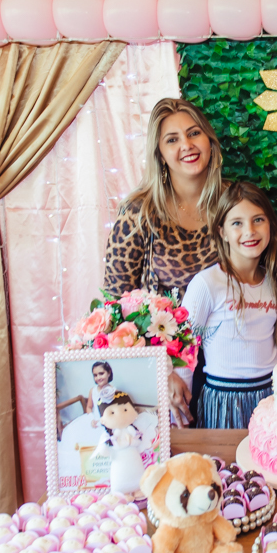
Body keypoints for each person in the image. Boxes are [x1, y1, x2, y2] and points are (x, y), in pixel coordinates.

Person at [103, 98, 226, 423]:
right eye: (172, 139)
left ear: (209, 140)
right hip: (167, 372)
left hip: (229, 368)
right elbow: (114, 309)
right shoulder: (139, 212)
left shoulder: (233, 203)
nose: (187, 145)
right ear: (159, 153)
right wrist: (161, 371)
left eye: (194, 133)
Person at [182, 181, 277, 429]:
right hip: (224, 399)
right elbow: (184, 347)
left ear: (271, 225)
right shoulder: (207, 283)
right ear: (222, 232)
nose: (249, 231)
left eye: (258, 220)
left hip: (273, 398)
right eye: (237, 223)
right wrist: (181, 407)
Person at [55, 361, 117, 437]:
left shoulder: (114, 391)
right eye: (95, 375)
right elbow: (89, 407)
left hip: (109, 422)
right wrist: (91, 418)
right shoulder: (93, 390)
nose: (98, 378)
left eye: (101, 374)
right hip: (95, 421)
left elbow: (116, 410)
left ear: (109, 373)